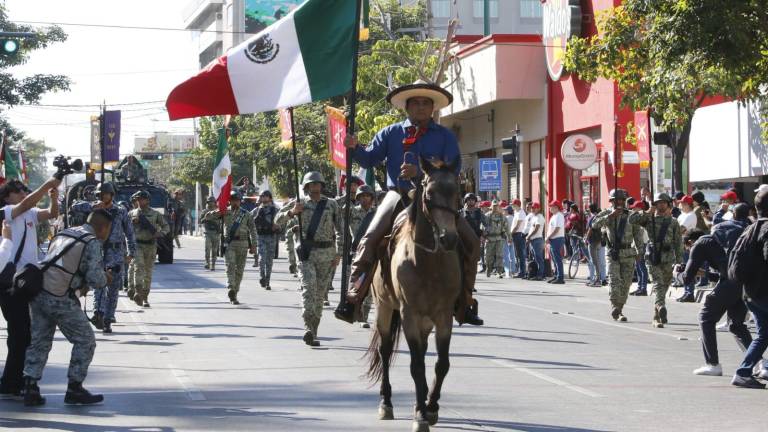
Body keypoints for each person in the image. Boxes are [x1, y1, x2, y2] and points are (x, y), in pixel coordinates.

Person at [336, 80, 483, 326]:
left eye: (426, 103)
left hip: (436, 199)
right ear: (407, 107)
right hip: (398, 194)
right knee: (370, 238)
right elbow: (370, 158)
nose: (421, 107)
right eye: (416, 103)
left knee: (471, 241)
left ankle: (465, 301)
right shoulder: (391, 132)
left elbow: (453, 167)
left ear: (433, 108)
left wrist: (422, 173)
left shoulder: (445, 136)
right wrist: (354, 148)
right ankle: (354, 296)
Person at [22, 209, 113, 407]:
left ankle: (30, 387)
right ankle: (75, 388)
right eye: (109, 230)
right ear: (102, 227)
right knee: (85, 340)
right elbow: (96, 279)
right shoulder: (92, 242)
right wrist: (106, 277)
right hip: (59, 297)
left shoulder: (65, 232)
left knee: (39, 341)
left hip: (39, 292)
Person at [0, 176, 62, 399]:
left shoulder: (29, 214)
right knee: (20, 333)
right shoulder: (7, 211)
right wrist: (47, 184)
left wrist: (53, 197)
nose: (24, 194)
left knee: (23, 332)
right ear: (8, 196)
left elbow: (52, 214)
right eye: (18, 191)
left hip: (27, 281)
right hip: (11, 282)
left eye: (25, 190)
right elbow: (25, 204)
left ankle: (13, 380)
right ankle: (10, 382)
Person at [276, 171, 343, 346]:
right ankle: (307, 326)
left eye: (317, 184)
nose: (315, 187)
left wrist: (339, 254)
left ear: (322, 186)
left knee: (320, 295)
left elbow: (341, 231)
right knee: (309, 290)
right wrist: (291, 212)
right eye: (311, 184)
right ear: (306, 187)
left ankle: (314, 330)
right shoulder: (299, 203)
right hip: (307, 255)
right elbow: (277, 221)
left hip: (327, 255)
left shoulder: (331, 205)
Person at [684, 204, 752, 376]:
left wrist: (678, 272)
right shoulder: (723, 240)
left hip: (731, 282)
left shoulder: (700, 243)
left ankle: (712, 364)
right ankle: (758, 363)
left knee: (706, 318)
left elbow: (687, 277)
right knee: (736, 325)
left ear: (690, 242)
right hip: (747, 282)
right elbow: (721, 269)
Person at [73, 182, 136, 334]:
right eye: (100, 194)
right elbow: (74, 207)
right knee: (98, 283)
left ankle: (108, 318)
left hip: (115, 253)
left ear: (112, 195)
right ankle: (98, 313)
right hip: (97, 251)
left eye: (106, 194)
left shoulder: (120, 211)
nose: (103, 197)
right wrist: (93, 207)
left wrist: (131, 253)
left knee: (113, 287)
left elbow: (129, 233)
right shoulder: (94, 208)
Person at [731, 188, 768, 388]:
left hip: (751, 292)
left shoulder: (750, 228)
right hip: (764, 291)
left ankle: (743, 372)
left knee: (763, 335)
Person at [631, 193, 684, 327]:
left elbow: (678, 241)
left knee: (665, 285)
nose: (661, 205)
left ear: (668, 204)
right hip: (653, 257)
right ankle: (661, 306)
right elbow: (632, 220)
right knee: (658, 283)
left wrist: (679, 260)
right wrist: (648, 212)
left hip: (667, 257)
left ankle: (656, 316)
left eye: (663, 203)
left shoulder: (673, 222)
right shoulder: (649, 219)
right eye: (658, 203)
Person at [592, 189, 645, 322]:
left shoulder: (631, 215)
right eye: (616, 200)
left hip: (628, 253)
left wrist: (640, 252)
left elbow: (638, 235)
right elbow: (594, 225)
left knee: (626, 284)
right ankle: (615, 306)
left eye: (622, 200)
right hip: (613, 253)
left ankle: (619, 309)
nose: (619, 202)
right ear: (611, 201)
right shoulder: (607, 213)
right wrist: (610, 217)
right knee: (614, 281)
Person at [128, 190, 170, 308]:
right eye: (138, 199)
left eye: (143, 199)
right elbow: (125, 229)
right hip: (137, 245)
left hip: (151, 245)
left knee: (148, 272)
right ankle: (138, 293)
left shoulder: (155, 214)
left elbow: (166, 226)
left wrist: (160, 234)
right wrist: (132, 222)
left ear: (148, 200)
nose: (140, 201)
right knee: (138, 267)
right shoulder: (132, 213)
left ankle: (145, 297)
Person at [347, 185, 376, 327]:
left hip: (373, 253)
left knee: (371, 285)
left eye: (367, 196)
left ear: (372, 198)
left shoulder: (378, 214)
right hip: (357, 253)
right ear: (358, 198)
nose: (365, 198)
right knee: (357, 283)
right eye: (362, 196)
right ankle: (355, 310)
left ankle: (364, 315)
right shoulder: (351, 212)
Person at [222, 191, 257, 304]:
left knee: (240, 271)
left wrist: (254, 245)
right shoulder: (225, 211)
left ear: (240, 201)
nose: (235, 202)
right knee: (230, 265)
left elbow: (253, 230)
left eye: (237, 200)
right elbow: (207, 217)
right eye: (232, 200)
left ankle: (234, 293)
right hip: (230, 243)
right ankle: (231, 286)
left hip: (243, 244)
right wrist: (218, 209)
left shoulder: (246, 214)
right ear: (229, 201)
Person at [253, 190, 279, 290]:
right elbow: (250, 221)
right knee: (262, 258)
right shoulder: (257, 210)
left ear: (270, 198)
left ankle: (267, 281)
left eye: (265, 196)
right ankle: (262, 276)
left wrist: (277, 227)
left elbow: (282, 222)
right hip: (261, 237)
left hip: (272, 237)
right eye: (262, 196)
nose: (263, 197)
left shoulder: (275, 210)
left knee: (269, 261)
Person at [629, 200, 650, 296]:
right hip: (636, 244)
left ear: (640, 208)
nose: (633, 209)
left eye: (635, 207)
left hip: (642, 244)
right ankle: (639, 287)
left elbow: (643, 234)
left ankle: (643, 288)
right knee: (638, 267)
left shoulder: (643, 218)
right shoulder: (636, 218)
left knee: (642, 267)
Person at [483, 200, 508, 278]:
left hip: (499, 238)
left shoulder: (502, 216)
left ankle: (499, 271)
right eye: (494, 206)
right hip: (489, 239)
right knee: (488, 256)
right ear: (491, 207)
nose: (495, 207)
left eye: (496, 206)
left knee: (499, 256)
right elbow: (483, 226)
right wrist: (483, 236)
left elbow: (506, 227)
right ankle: (489, 269)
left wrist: (509, 237)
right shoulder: (486, 216)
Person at [584, 203, 606, 287]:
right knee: (601, 261)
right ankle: (601, 279)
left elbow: (590, 229)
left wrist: (586, 239)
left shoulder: (592, 218)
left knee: (594, 262)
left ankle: (596, 280)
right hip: (601, 241)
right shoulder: (600, 217)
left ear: (590, 209)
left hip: (593, 241)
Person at [545, 200, 566, 284]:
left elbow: (557, 229)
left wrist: (549, 237)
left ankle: (560, 277)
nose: (550, 208)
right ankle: (557, 275)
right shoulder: (555, 216)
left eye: (552, 206)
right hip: (554, 239)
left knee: (557, 259)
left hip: (557, 239)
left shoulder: (559, 216)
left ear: (556, 207)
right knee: (554, 258)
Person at [200, 196, 222, 271]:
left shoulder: (218, 211)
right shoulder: (205, 211)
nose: (211, 203)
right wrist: (206, 218)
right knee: (207, 248)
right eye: (209, 202)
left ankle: (213, 265)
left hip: (216, 232)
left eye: (212, 202)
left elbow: (222, 221)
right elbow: (201, 221)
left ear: (215, 202)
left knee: (215, 250)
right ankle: (207, 263)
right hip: (208, 232)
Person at [526, 202, 546, 281]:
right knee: (535, 258)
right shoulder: (534, 217)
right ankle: (536, 274)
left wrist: (529, 236)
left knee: (539, 258)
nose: (532, 209)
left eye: (534, 208)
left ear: (538, 209)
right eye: (532, 208)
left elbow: (536, 228)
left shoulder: (539, 217)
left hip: (537, 239)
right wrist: (529, 238)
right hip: (533, 240)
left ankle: (541, 275)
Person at [509, 199, 527, 279]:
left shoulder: (521, 213)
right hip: (516, 234)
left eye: (513, 205)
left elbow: (517, 226)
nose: (512, 206)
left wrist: (510, 233)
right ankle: (521, 271)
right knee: (518, 254)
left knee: (520, 254)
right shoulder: (517, 212)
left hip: (519, 234)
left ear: (516, 205)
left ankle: (522, 272)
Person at [503, 205, 517, 277]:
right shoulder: (513, 218)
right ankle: (513, 271)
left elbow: (504, 229)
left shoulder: (506, 218)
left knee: (506, 255)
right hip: (512, 237)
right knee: (512, 255)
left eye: (505, 210)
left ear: (508, 211)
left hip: (506, 237)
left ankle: (507, 272)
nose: (504, 211)